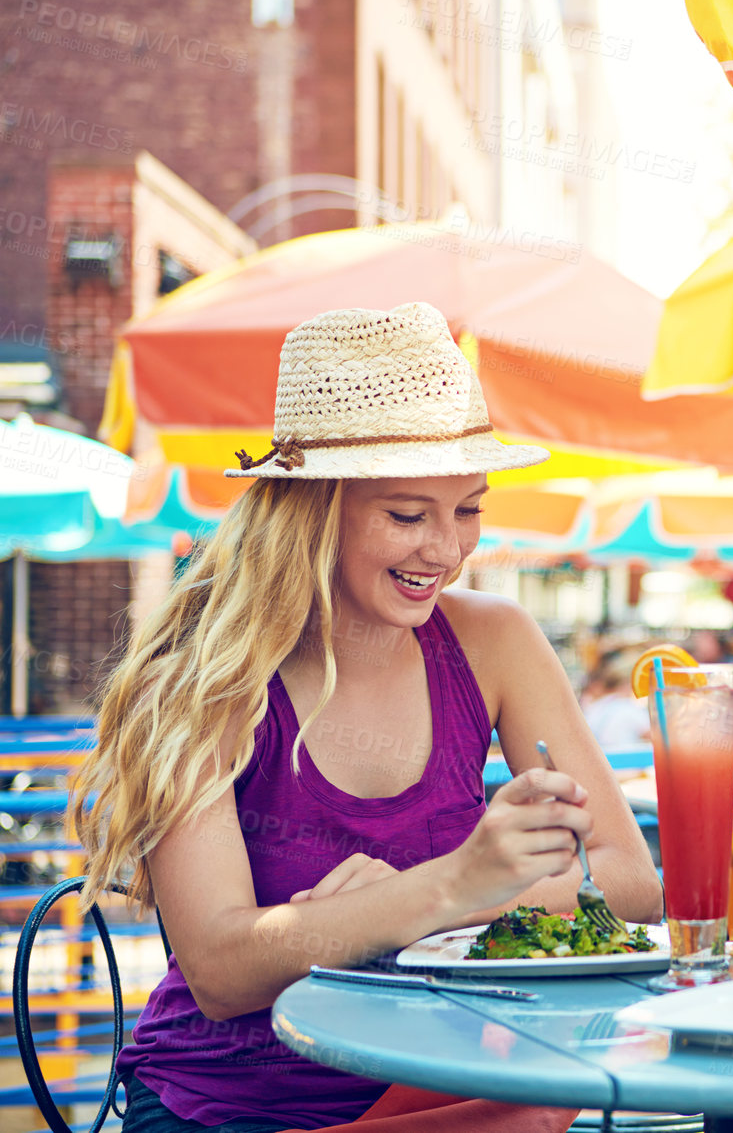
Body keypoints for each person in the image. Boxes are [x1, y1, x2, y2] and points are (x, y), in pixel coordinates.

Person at [71, 303, 662, 1132]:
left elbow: (632, 885)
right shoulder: (202, 678)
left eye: (467, 509)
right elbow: (221, 969)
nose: (448, 550)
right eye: (407, 514)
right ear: (313, 510)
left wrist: (420, 904)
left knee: (545, 1109)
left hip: (443, 1078)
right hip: (235, 1106)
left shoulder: (496, 641)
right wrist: (459, 883)